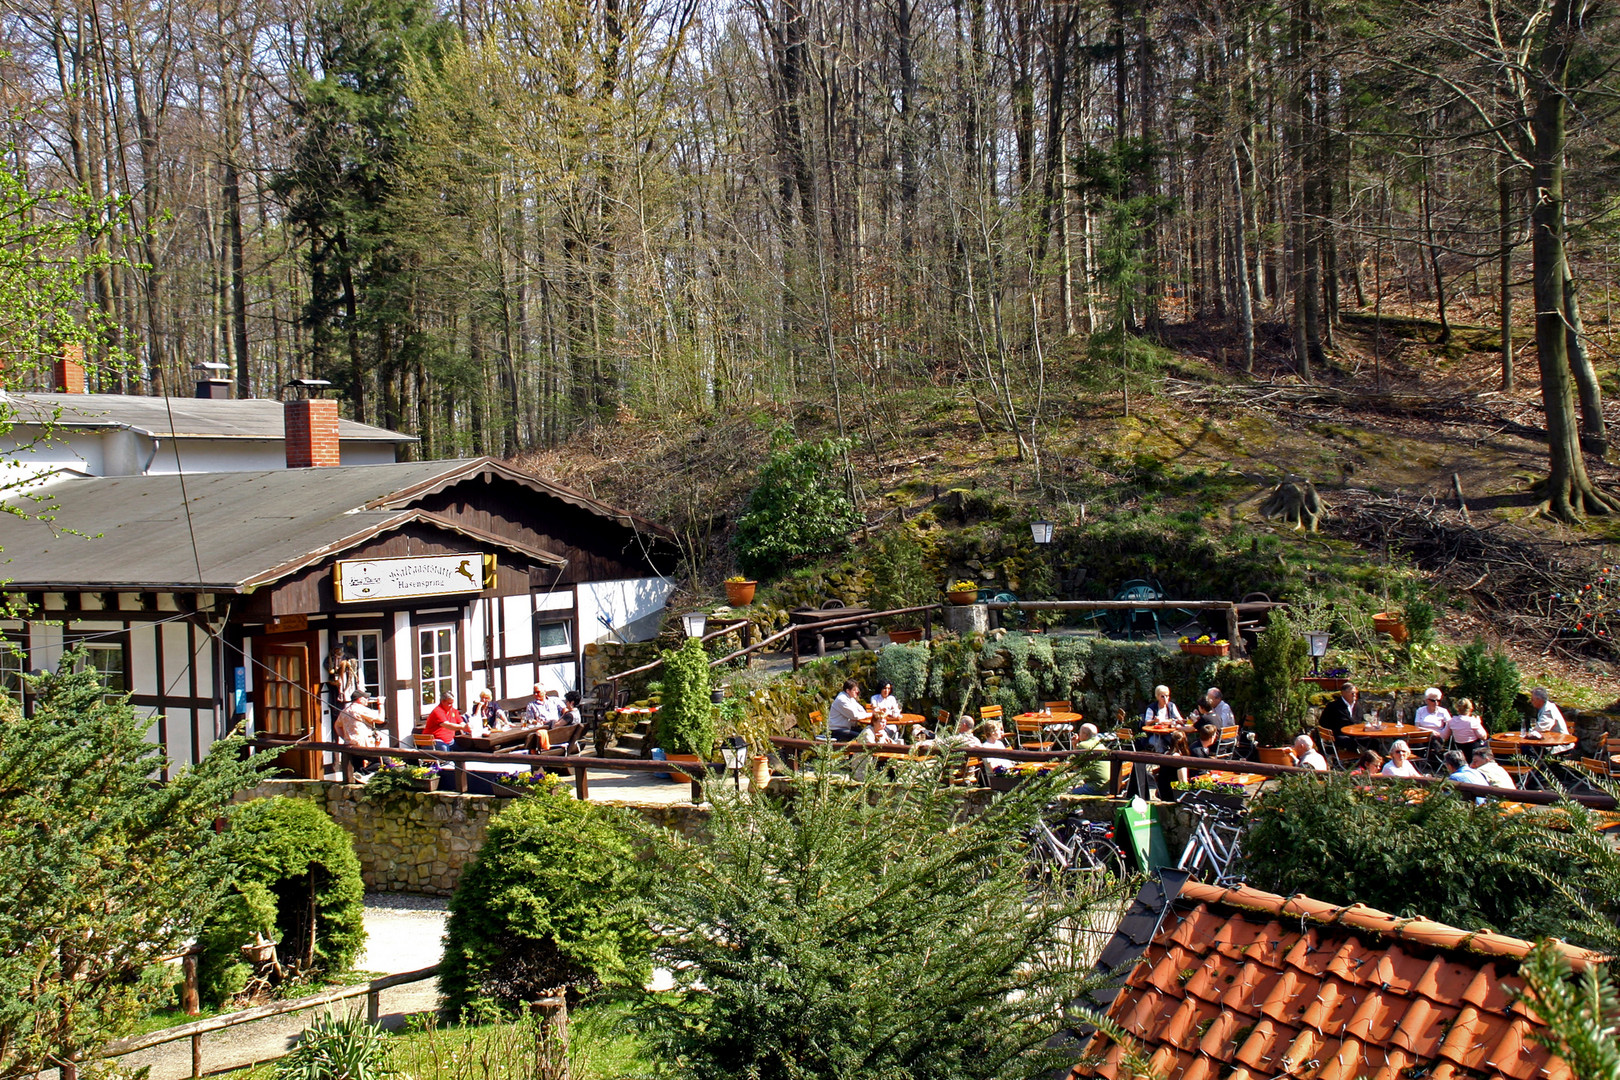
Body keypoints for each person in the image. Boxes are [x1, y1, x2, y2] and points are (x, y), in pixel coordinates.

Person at [334, 690, 384, 773]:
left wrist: (345, 737)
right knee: (383, 761)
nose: (367, 700)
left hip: (350, 744)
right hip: (363, 744)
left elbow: (337, 726)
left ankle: (360, 775)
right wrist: (381, 704)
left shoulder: (345, 711)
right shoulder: (360, 709)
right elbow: (380, 719)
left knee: (357, 766)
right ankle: (363, 773)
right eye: (366, 698)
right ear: (360, 699)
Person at [1068, 723, 1110, 795]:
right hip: (1107, 786)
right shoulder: (1100, 745)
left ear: (1085, 735)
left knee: (1068, 794)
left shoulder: (1083, 745)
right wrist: (1075, 745)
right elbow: (1079, 759)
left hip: (1096, 786)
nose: (1079, 734)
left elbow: (1074, 765)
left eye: (1080, 732)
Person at [1157, 731, 1191, 799]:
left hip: (1163, 791)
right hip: (1173, 794)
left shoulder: (1166, 753)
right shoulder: (1178, 758)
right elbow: (1183, 782)